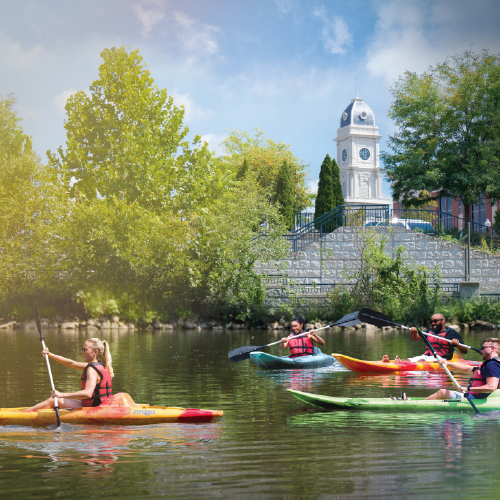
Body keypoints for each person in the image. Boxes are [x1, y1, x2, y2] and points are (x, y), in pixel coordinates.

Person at [25, 338, 114, 411]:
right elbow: (71, 363)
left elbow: (87, 394)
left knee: (54, 400)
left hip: (93, 409)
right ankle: (27, 412)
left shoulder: (92, 369)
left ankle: (24, 414)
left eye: (85, 349)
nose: (82, 352)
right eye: (82, 349)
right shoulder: (101, 366)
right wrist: (50, 355)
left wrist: (62, 394)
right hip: (99, 406)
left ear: (95, 352)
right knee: (57, 399)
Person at [425, 338, 500, 400]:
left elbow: (491, 387)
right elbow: (467, 369)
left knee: (443, 393)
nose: (481, 351)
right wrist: (448, 363)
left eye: (483, 348)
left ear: (492, 349)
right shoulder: (492, 363)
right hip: (479, 396)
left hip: (477, 398)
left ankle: (416, 406)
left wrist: (467, 389)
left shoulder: (492, 365)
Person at [384, 313, 467, 363]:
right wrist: (412, 332)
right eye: (431, 322)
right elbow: (414, 337)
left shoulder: (451, 333)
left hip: (441, 359)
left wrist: (458, 344)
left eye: (435, 321)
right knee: (407, 360)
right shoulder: (429, 332)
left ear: (443, 321)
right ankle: (396, 363)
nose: (433, 323)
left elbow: (464, 351)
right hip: (426, 356)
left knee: (421, 361)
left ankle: (402, 367)